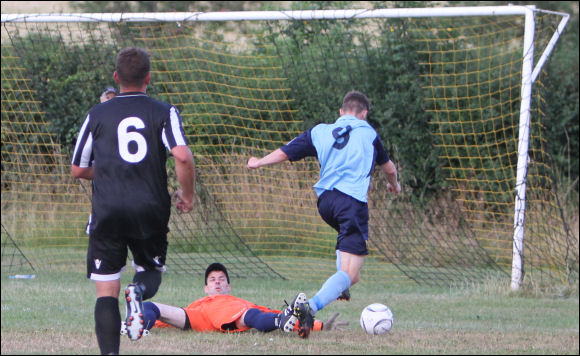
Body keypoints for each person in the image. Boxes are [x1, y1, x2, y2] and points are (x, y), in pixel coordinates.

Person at [71, 47, 196, 355]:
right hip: (149, 208)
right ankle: (138, 292)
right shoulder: (163, 111)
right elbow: (181, 155)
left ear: (116, 77)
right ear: (148, 78)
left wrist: (113, 169)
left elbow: (78, 168)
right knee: (150, 270)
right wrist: (187, 194)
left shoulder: (96, 114)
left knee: (106, 291)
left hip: (107, 209)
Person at [247, 90, 401, 338]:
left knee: (352, 274)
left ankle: (341, 287)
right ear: (364, 114)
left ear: (341, 112)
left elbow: (286, 152)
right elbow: (389, 168)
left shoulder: (320, 131)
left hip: (326, 202)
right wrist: (395, 185)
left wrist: (258, 162)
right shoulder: (368, 133)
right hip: (351, 203)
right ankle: (308, 308)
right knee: (350, 274)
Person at [128, 263, 347, 336]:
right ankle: (137, 328)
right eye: (212, 279)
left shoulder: (237, 301)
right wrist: (149, 320)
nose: (216, 282)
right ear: (206, 288)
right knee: (150, 306)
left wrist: (319, 325)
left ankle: (283, 321)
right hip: (198, 317)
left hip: (231, 312)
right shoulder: (196, 304)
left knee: (252, 314)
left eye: (221, 279)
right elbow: (164, 318)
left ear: (228, 286)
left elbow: (265, 312)